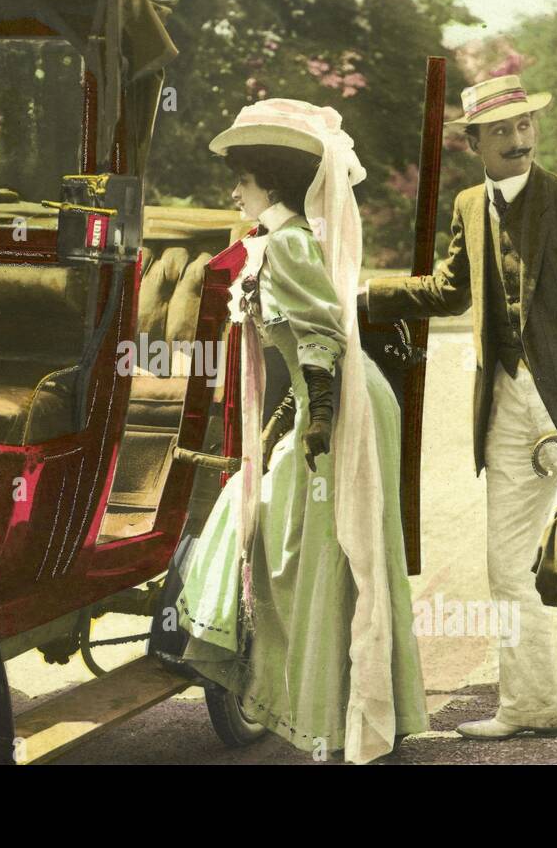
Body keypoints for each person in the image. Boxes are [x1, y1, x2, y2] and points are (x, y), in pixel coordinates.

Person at [361, 74, 557, 757]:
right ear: (473, 142)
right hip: (505, 408)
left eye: (525, 124)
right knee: (506, 568)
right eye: (500, 130)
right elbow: (447, 290)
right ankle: (530, 704)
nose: (518, 138)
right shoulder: (470, 204)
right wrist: (358, 296)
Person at [175, 99, 429, 764]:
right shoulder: (278, 243)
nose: (234, 192)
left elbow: (319, 336)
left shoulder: (287, 244)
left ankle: (326, 708)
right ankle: (341, 701)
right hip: (332, 400)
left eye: (244, 181)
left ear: (272, 186)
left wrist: (316, 418)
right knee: (308, 546)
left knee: (303, 546)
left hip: (342, 404)